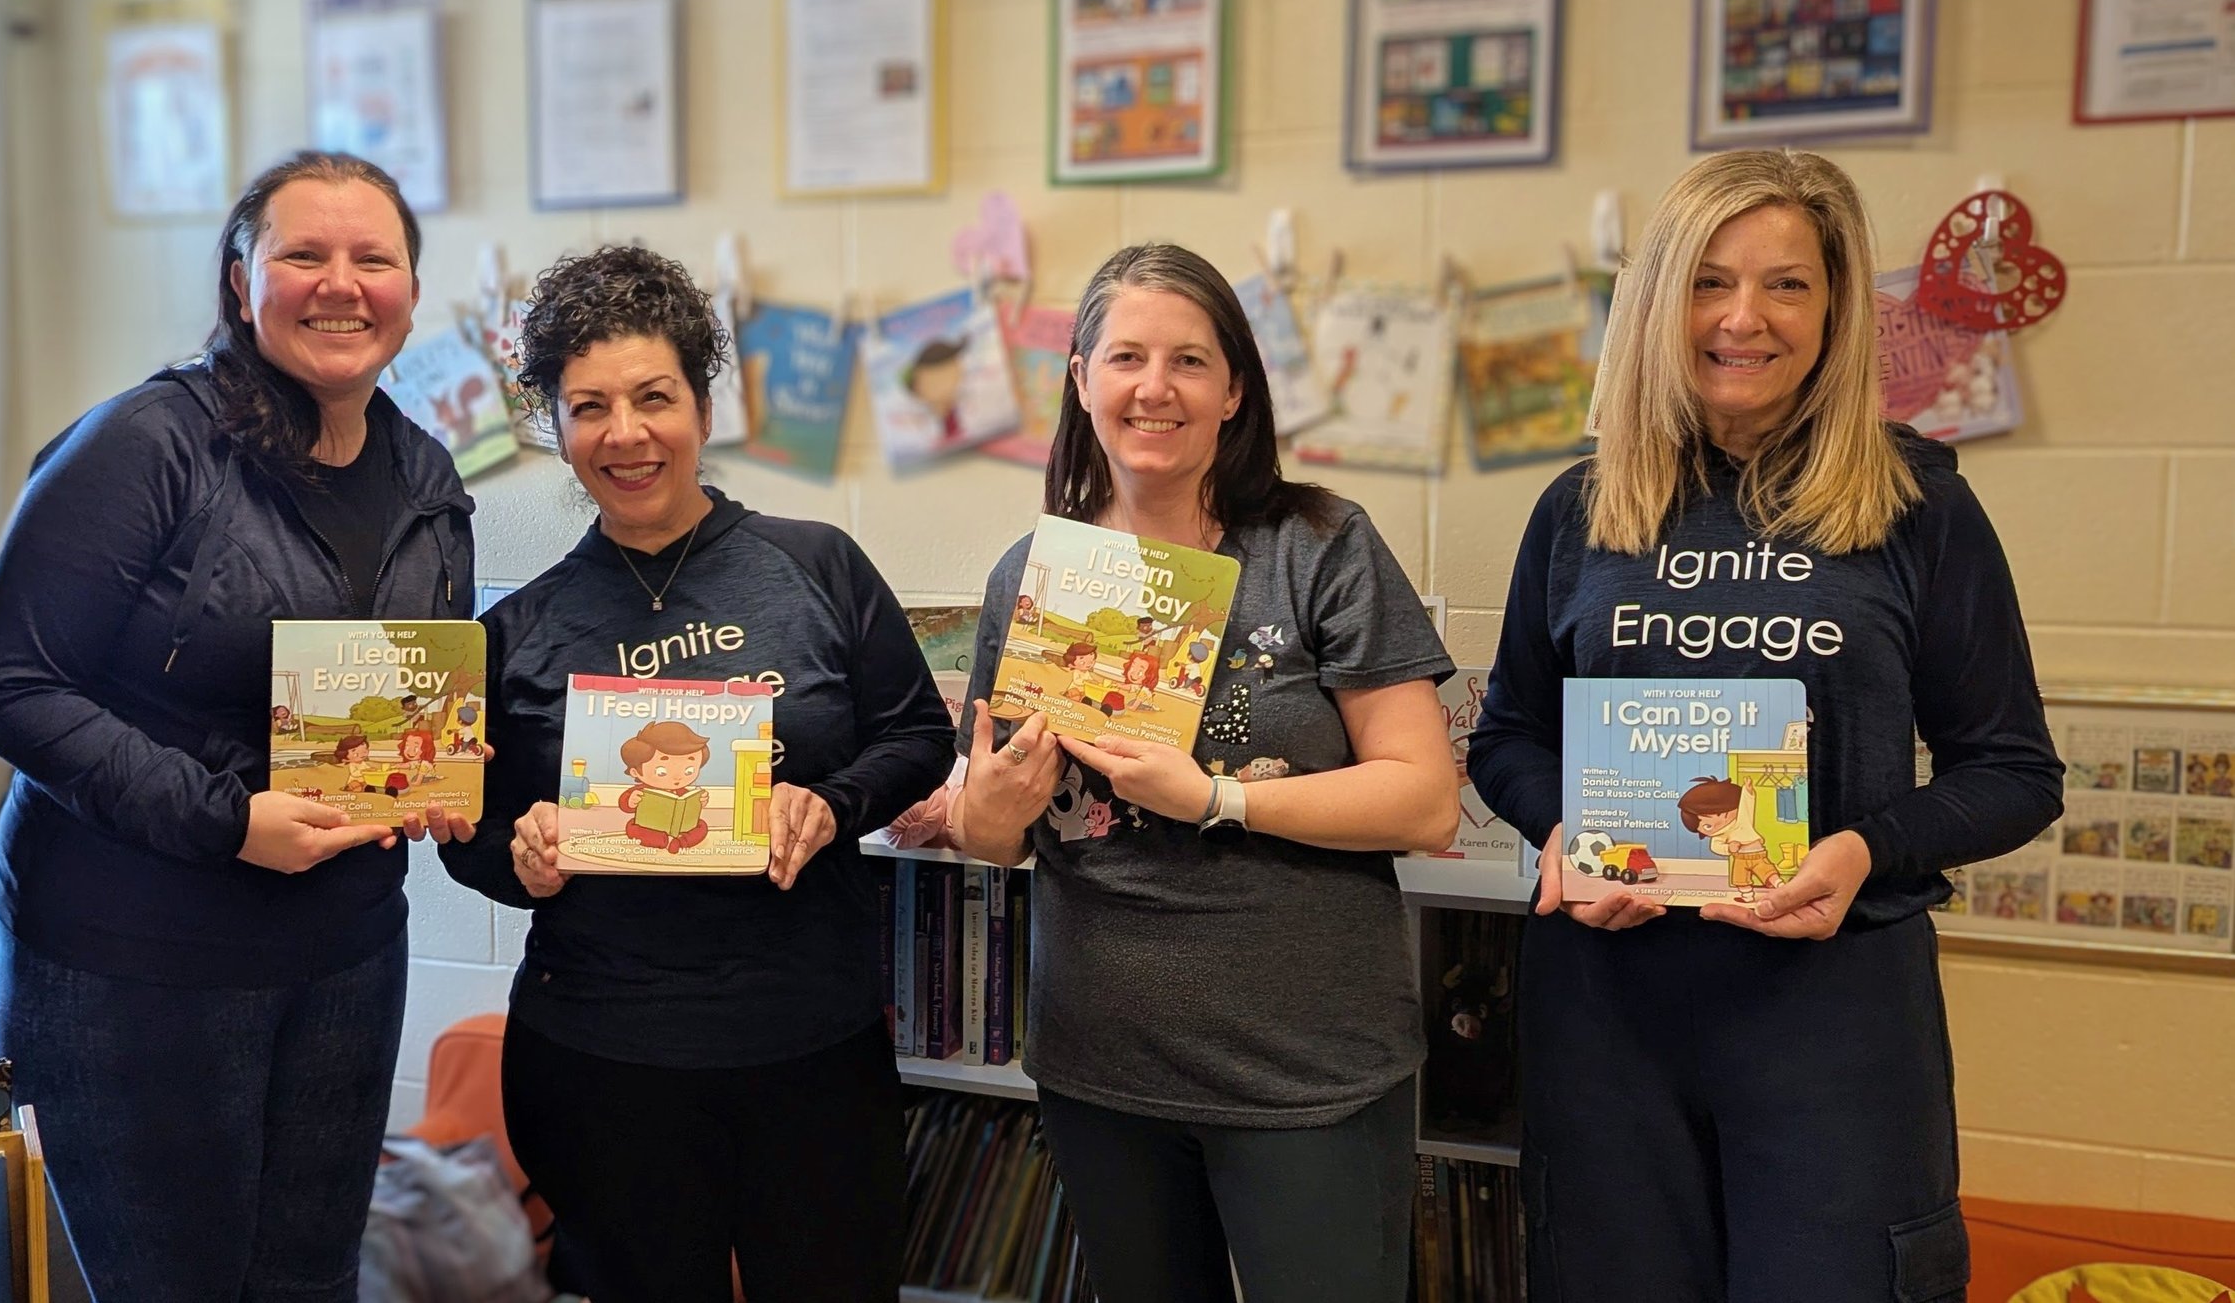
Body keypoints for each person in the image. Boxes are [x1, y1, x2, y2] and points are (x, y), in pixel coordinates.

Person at [1465, 148, 2064, 1303]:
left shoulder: (1916, 505)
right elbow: (1507, 737)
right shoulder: (1583, 504)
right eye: (1708, 281)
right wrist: (1562, 832)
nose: (1743, 317)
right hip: (1609, 1006)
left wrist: (1863, 849)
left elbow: (2012, 770)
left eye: (1786, 284)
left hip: (1831, 1010)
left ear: (1834, 309)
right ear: (1658, 302)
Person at [0, 152, 477, 1303]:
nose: (340, 283)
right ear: (242, 282)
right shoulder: (144, 443)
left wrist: (438, 765)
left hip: (347, 950)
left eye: (373, 258)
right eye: (303, 254)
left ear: (408, 290)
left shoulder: (426, 472)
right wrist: (226, 819)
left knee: (313, 1281)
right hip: (134, 959)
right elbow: (12, 686)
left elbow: (409, 685)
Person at [438, 244, 953, 1303]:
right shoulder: (517, 628)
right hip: (599, 1062)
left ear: (703, 408)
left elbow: (915, 735)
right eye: (588, 407)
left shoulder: (817, 563)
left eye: (653, 396)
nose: (624, 432)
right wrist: (520, 855)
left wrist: (831, 801)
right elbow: (471, 837)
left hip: (812, 1049)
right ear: (555, 428)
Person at [950, 242, 1460, 1303]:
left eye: (1189, 360)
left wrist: (1216, 797)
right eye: (1126, 357)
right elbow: (997, 836)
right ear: (1079, 378)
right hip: (1102, 1068)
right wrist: (985, 810)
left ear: (1234, 389)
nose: (1156, 387)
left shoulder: (1316, 545)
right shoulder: (1033, 577)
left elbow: (1423, 799)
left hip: (1305, 1071)